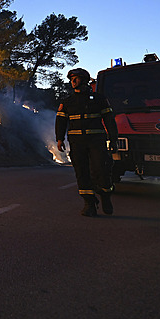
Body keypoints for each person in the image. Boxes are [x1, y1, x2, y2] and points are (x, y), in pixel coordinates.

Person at [55, 68, 119, 217]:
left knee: (101, 170)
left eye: (75, 79)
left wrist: (113, 139)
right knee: (81, 173)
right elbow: (60, 121)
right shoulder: (67, 102)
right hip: (77, 143)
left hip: (96, 142)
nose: (73, 82)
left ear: (84, 80)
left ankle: (105, 196)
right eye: (71, 79)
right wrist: (59, 138)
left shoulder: (99, 99)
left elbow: (109, 121)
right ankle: (89, 203)